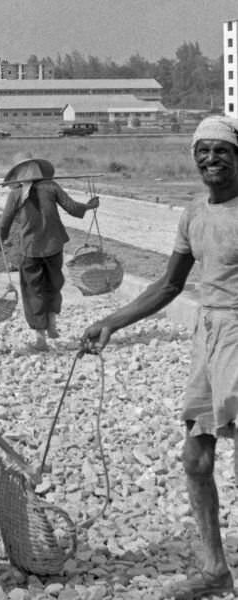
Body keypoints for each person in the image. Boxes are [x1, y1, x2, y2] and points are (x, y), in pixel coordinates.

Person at [82, 116, 238, 600]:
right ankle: (214, 568)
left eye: (221, 150)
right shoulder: (194, 214)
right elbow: (169, 284)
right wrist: (113, 321)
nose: (210, 159)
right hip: (207, 334)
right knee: (196, 458)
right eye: (202, 151)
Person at [0, 152, 99, 351]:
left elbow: (5, 223)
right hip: (54, 246)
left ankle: (40, 336)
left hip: (30, 249)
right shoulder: (51, 187)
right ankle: (51, 323)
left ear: (18, 173)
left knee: (33, 290)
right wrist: (88, 206)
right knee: (53, 284)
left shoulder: (16, 194)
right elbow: (72, 208)